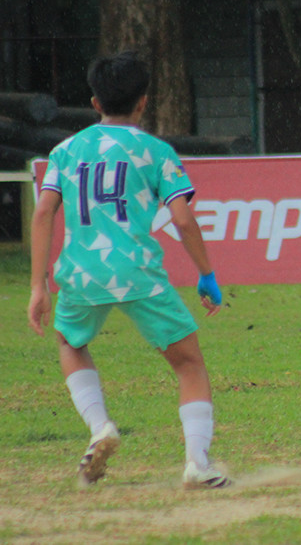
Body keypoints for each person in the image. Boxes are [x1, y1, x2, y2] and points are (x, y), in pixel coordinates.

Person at [27, 51, 231, 488]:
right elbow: (181, 219)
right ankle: (197, 463)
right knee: (189, 364)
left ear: (95, 103)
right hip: (138, 272)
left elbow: (43, 213)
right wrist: (206, 275)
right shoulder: (156, 151)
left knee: (69, 341)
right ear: (143, 102)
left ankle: (100, 426)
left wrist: (38, 286)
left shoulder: (64, 151)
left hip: (80, 275)